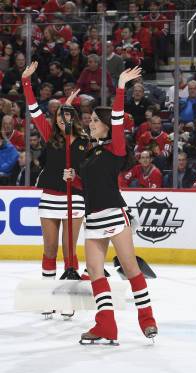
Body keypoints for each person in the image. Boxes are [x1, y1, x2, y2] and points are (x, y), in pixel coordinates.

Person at [63, 67, 158, 344]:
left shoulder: (115, 148)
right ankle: (105, 325)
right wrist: (74, 179)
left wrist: (119, 88)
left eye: (93, 120)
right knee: (94, 271)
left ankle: (147, 318)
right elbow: (88, 186)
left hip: (115, 216)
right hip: (93, 219)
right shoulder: (90, 153)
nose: (89, 123)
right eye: (88, 119)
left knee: (130, 268)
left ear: (105, 124)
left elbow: (118, 118)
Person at [22, 61, 87, 320]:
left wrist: (77, 176)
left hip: (75, 200)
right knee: (49, 249)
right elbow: (34, 110)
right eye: (61, 115)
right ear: (57, 119)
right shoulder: (49, 134)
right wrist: (27, 82)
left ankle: (69, 297)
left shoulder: (84, 141)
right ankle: (48, 296)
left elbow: (93, 173)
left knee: (69, 252)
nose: (64, 119)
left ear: (74, 118)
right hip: (51, 197)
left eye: (68, 114)